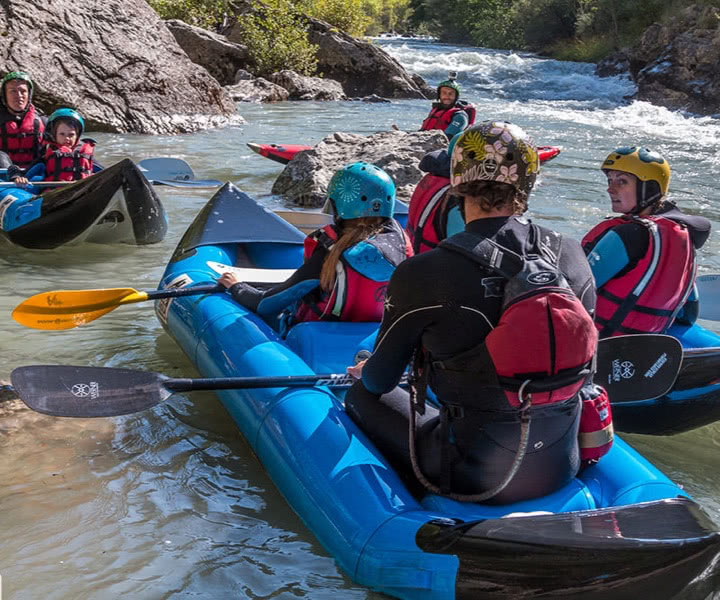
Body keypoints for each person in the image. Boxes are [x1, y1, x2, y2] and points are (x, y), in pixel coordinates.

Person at [345, 121, 606, 505]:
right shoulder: (570, 251)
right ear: (528, 181)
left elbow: (380, 381)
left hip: (473, 477)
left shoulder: (424, 271)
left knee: (360, 395)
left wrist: (366, 368)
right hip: (560, 465)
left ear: (457, 182)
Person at [217, 162, 413, 327]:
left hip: (319, 336)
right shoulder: (399, 242)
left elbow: (266, 305)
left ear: (339, 206)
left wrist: (237, 286)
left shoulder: (330, 252)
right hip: (376, 336)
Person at [582, 147, 711, 338]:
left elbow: (575, 292)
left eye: (622, 181)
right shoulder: (684, 239)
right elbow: (689, 315)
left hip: (599, 342)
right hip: (649, 346)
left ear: (649, 188)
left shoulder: (627, 234)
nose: (610, 189)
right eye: (610, 180)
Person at [9, 108, 95, 185]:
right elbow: (28, 172)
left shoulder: (84, 153)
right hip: (55, 191)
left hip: (83, 188)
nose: (67, 138)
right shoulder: (47, 155)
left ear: (77, 136)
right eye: (62, 134)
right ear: (54, 135)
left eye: (71, 135)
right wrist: (18, 177)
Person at [0, 71, 45, 169]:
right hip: (3, 177)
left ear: (29, 94)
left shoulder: (44, 122)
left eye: (23, 91)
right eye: (13, 91)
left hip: (35, 175)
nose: (19, 95)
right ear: (5, 95)